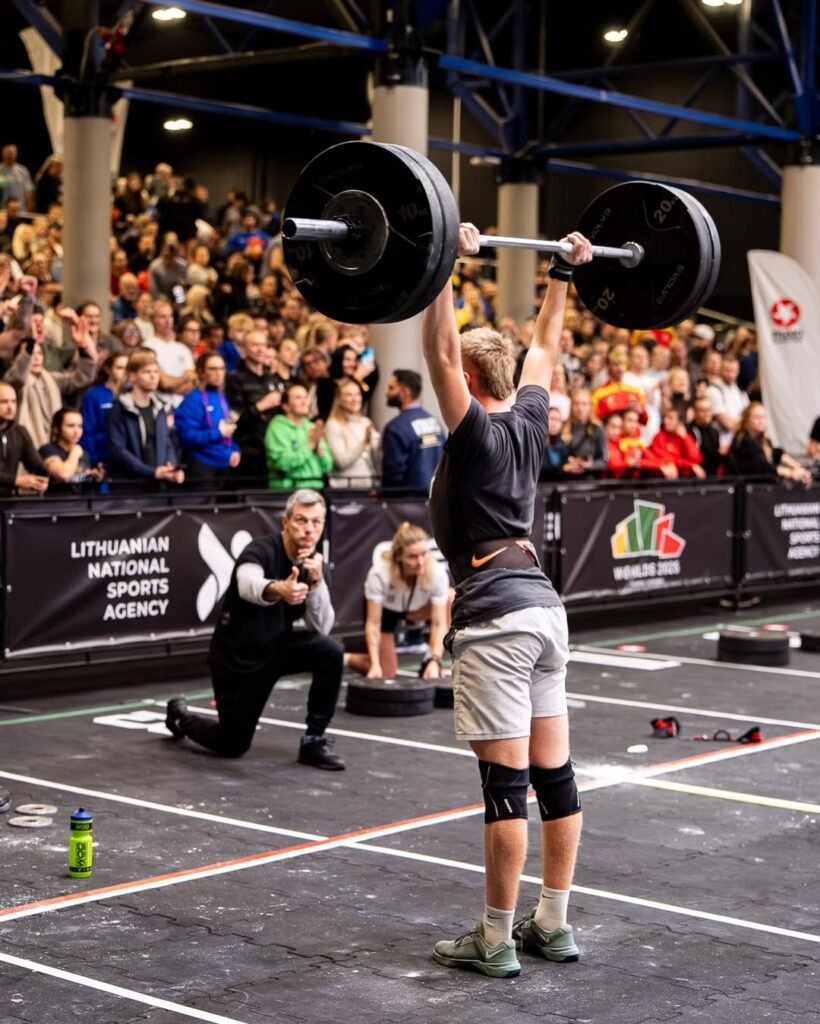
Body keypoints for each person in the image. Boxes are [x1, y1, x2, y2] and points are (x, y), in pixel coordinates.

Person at [422, 224, 591, 979]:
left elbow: (438, 353)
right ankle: (552, 923)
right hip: (545, 611)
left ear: (472, 380)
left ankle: (495, 939)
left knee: (505, 789)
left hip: (496, 617)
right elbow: (547, 346)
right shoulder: (529, 420)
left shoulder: (477, 434)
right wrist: (563, 271)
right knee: (554, 778)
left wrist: (445, 265)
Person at [165, 489, 345, 770]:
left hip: (276, 647)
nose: (309, 529)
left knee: (330, 650)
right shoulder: (261, 550)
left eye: (316, 522)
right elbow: (247, 584)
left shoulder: (315, 565)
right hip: (237, 656)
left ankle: (314, 740)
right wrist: (280, 589)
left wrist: (317, 584)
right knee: (233, 744)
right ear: (286, 522)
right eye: (301, 520)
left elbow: (322, 627)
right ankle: (181, 719)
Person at [348, 522, 451, 680]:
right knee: (386, 672)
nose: (420, 562)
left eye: (424, 554)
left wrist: (435, 659)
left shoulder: (436, 572)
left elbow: (439, 623)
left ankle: (428, 661)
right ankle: (345, 658)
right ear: (399, 557)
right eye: (412, 557)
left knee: (451, 597)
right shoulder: (379, 574)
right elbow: (373, 624)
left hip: (417, 610)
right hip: (387, 611)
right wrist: (375, 664)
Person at [107, 348, 185, 489]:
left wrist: (171, 467)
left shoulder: (162, 408)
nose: (153, 376)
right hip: (130, 486)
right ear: (132, 376)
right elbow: (118, 450)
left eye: (156, 372)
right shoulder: (120, 408)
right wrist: (151, 472)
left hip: (158, 484)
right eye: (147, 372)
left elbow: (168, 442)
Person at [225, 327, 283, 486]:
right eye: (254, 345)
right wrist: (261, 405)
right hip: (248, 452)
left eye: (263, 345)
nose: (260, 349)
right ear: (244, 349)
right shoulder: (235, 378)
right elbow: (232, 419)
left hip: (273, 449)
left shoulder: (271, 377)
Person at [174, 352, 241, 489]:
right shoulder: (192, 399)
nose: (219, 373)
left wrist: (234, 449)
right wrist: (218, 432)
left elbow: (227, 430)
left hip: (224, 464)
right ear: (201, 372)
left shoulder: (221, 396)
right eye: (213, 369)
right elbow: (186, 437)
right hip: (202, 465)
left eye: (222, 369)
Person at [381, 370, 443, 493]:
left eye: (392, 388)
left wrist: (383, 494)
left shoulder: (395, 428)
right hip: (435, 496)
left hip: (407, 500)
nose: (386, 393)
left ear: (405, 392)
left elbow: (392, 474)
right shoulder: (434, 422)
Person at [265, 382, 333, 490]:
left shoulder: (312, 427)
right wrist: (310, 445)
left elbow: (327, 466)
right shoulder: (277, 428)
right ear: (286, 406)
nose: (304, 402)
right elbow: (282, 463)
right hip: (288, 491)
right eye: (298, 398)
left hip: (316, 488)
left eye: (306, 397)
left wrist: (318, 449)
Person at [727, 403, 812, 484]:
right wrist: (790, 473)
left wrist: (799, 468)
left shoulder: (763, 440)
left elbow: (775, 453)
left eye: (763, 417)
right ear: (747, 420)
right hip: (748, 487)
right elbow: (763, 467)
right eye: (757, 417)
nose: (761, 421)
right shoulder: (743, 441)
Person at [324, 378, 380, 489]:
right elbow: (341, 462)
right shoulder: (333, 424)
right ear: (339, 399)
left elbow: (376, 457)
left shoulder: (366, 422)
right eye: (349, 395)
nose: (355, 399)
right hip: (345, 489)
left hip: (368, 486)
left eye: (357, 394)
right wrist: (364, 443)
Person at [80, 352, 129, 469]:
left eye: (128, 368)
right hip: (102, 457)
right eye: (119, 368)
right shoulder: (94, 395)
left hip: (128, 457)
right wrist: (92, 461)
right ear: (108, 369)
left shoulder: (133, 394)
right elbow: (88, 431)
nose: (124, 372)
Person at [39, 408, 104, 493]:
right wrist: (75, 452)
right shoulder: (47, 450)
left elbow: (74, 479)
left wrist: (93, 477)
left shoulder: (83, 453)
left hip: (82, 500)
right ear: (56, 428)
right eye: (71, 426)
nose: (76, 431)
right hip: (57, 500)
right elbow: (64, 475)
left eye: (80, 426)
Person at [0, 381, 48, 496]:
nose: (10, 407)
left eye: (13, 401)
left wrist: (42, 479)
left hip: (9, 500)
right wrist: (16, 481)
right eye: (3, 402)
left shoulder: (19, 431)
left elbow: (36, 464)